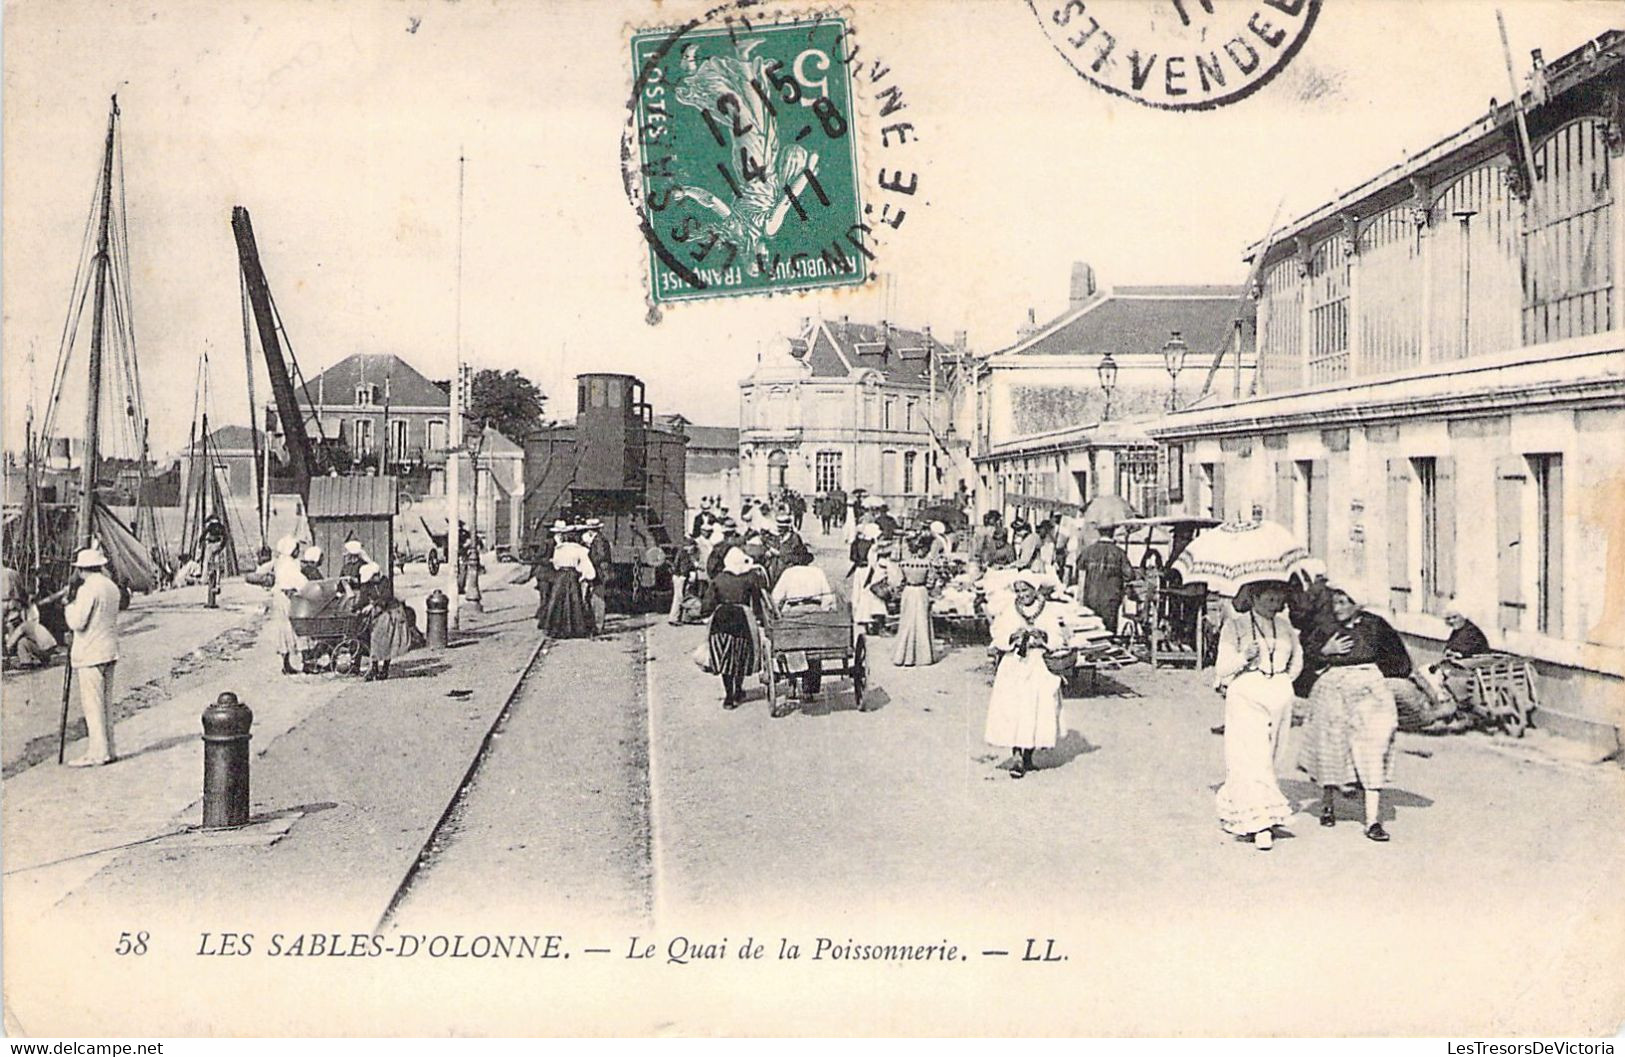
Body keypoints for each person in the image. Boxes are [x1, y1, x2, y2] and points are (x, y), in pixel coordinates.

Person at [1298, 582, 1401, 842]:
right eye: (1335, 602)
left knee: (1372, 748)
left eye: (1344, 602)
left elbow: (1398, 659)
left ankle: (1372, 821)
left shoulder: (1376, 626)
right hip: (1332, 689)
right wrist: (1325, 652)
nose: (1338, 607)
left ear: (1358, 603)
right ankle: (1328, 803)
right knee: (1332, 747)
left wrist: (1375, 677)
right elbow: (1305, 659)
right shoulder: (1325, 627)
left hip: (1369, 690)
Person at [1213, 582, 1303, 851]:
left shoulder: (1286, 628)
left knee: (1272, 756)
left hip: (1278, 695)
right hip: (1246, 695)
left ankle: (1242, 806)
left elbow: (1297, 659)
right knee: (1254, 757)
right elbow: (1222, 667)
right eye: (1268, 596)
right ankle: (1260, 823)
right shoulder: (1236, 626)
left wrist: (1285, 681)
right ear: (1253, 596)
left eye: (1278, 597)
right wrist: (1244, 656)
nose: (1274, 602)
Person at [983, 572, 1065, 779]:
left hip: (1038, 664)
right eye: (1018, 591)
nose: (1022, 595)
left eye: (1025, 590)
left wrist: (1042, 637)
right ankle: (1017, 756)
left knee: (1037, 706)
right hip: (1015, 665)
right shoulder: (1010, 610)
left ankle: (1029, 753)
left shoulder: (1047, 610)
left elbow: (1057, 637)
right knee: (1015, 708)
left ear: (1034, 589)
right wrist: (1013, 637)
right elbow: (998, 634)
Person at [62, 548, 123, 766]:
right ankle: (109, 749)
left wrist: (68, 608)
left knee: (93, 705)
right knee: (105, 704)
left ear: (81, 570)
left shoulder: (89, 589)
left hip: (90, 652)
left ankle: (98, 752)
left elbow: (78, 622)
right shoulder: (111, 586)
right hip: (109, 649)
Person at [706, 548, 768, 709]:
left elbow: (707, 605)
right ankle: (738, 689)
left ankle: (728, 696)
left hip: (721, 620)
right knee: (740, 654)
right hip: (742, 620)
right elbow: (757, 603)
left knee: (724, 655)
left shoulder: (718, 579)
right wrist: (760, 619)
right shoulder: (748, 579)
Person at [255, 536, 308, 675]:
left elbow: (260, 571)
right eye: (296, 549)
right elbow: (299, 582)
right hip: (288, 597)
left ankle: (287, 662)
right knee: (297, 626)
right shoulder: (290, 564)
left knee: (284, 628)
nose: (298, 551)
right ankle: (305, 661)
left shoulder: (280, 562)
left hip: (280, 597)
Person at [356, 563, 416, 681]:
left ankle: (384, 668)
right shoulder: (367, 585)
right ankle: (374, 667)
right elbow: (363, 598)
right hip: (377, 614)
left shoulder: (385, 582)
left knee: (387, 640)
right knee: (375, 639)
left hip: (390, 612)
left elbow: (386, 597)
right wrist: (357, 608)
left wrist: (373, 605)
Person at [1077, 524, 1135, 635]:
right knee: (1108, 634)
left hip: (1090, 597)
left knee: (1091, 632)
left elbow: (1080, 572)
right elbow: (1129, 575)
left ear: (1099, 533)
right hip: (1111, 600)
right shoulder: (1119, 553)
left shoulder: (1088, 551)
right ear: (1113, 533)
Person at [892, 534, 938, 667]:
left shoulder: (904, 563)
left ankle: (903, 656)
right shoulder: (927, 564)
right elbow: (931, 582)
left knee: (907, 621)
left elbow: (898, 581)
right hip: (921, 592)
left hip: (908, 592)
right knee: (921, 622)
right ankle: (923, 656)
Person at [542, 528, 596, 639]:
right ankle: (576, 629)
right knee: (574, 601)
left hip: (560, 576)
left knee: (557, 601)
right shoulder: (579, 549)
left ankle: (555, 628)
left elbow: (556, 564)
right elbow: (585, 565)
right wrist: (584, 576)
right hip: (572, 576)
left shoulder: (559, 548)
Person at [516, 521, 564, 630]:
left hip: (548, 574)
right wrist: (550, 560)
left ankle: (545, 619)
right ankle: (543, 620)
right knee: (546, 597)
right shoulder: (548, 543)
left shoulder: (553, 543)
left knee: (547, 597)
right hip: (545, 574)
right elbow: (539, 558)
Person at [582, 518, 612, 629]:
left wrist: (587, 557)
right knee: (595, 597)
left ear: (591, 531)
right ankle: (595, 624)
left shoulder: (599, 540)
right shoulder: (599, 539)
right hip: (599, 571)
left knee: (598, 598)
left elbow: (601, 556)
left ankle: (598, 625)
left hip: (599, 572)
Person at [668, 539, 700, 625]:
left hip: (677, 576)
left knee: (678, 597)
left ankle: (677, 617)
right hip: (681, 577)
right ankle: (674, 618)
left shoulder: (681, 552)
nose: (693, 549)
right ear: (689, 546)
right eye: (692, 547)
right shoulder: (685, 555)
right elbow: (684, 568)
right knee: (680, 598)